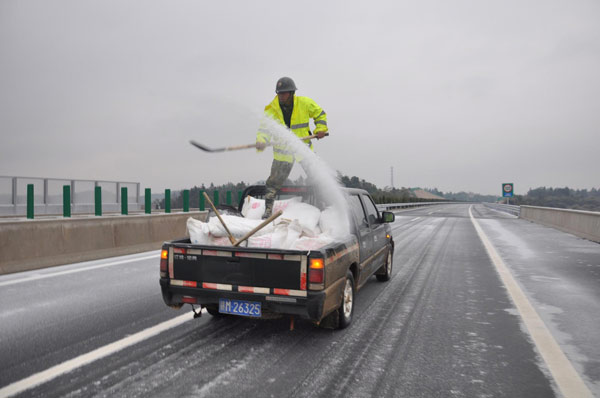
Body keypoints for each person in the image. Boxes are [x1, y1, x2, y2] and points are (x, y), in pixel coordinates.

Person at [256, 77, 328, 219]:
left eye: (284, 93)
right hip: (283, 153)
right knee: (273, 183)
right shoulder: (271, 109)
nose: (281, 96)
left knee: (318, 177)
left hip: (303, 150)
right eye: (279, 93)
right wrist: (261, 141)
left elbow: (319, 114)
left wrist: (320, 129)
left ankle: (323, 206)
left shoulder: (305, 103)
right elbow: (264, 129)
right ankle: (268, 211)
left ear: (291, 93)